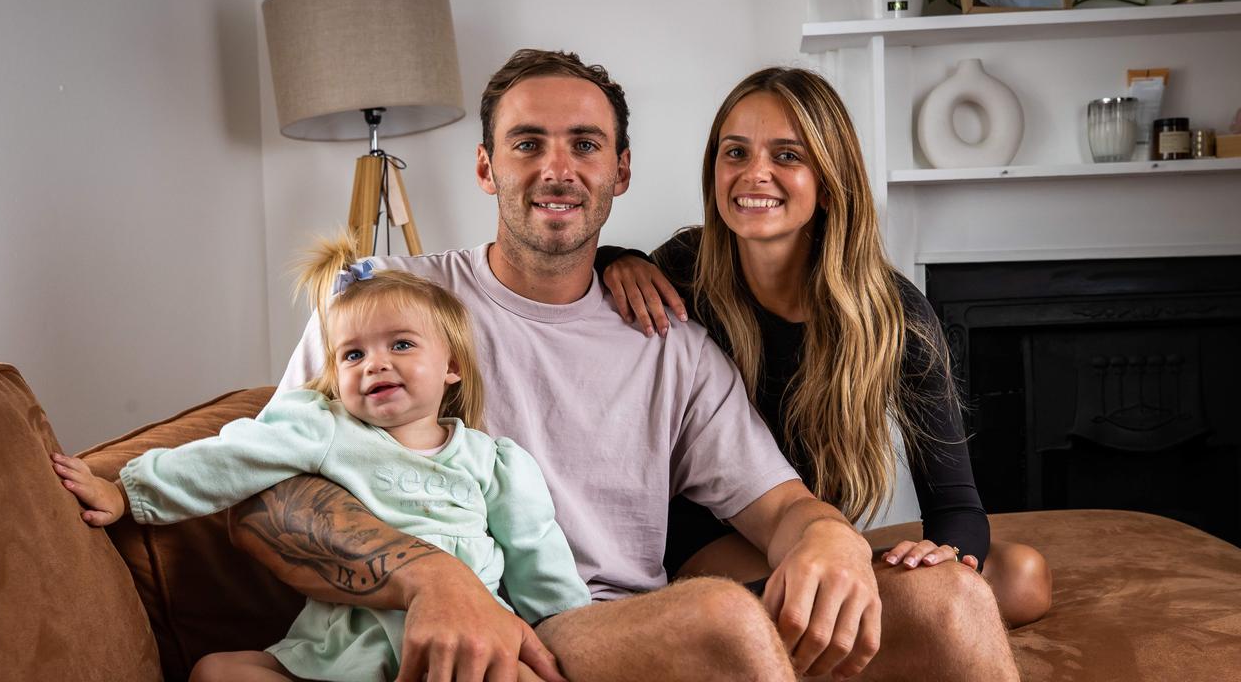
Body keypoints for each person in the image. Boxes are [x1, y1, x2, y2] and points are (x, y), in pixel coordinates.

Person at [232, 49, 1020, 682]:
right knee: (718, 618)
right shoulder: (387, 305)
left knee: (951, 597)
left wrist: (827, 536)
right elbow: (263, 495)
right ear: (485, 167)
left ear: (622, 172)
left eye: (585, 145)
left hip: (610, 626)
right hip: (465, 625)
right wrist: (434, 582)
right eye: (527, 143)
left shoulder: (671, 337)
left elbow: (778, 507)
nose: (557, 168)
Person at [596, 66, 1052, 628]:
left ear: (831, 180)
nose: (754, 174)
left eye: (787, 156)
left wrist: (948, 557)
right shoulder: (683, 270)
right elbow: (572, 281)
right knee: (807, 607)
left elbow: (956, 505)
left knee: (1022, 577)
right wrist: (614, 257)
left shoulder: (894, 314)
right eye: (735, 153)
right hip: (705, 535)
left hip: (816, 535)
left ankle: (887, 621)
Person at [51, 238, 591, 681]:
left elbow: (537, 558)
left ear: (451, 366)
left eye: (401, 345)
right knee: (217, 672)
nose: (374, 364)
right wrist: (128, 492)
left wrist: (568, 636)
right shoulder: (323, 426)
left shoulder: (494, 462)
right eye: (353, 354)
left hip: (458, 653)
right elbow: (230, 457)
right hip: (341, 656)